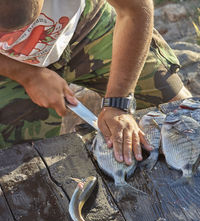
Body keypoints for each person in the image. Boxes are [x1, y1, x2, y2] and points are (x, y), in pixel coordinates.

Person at [0, 0, 191, 165]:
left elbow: (134, 10)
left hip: (85, 27)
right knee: (13, 165)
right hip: (8, 64)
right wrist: (27, 75)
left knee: (182, 119)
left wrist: (118, 102)